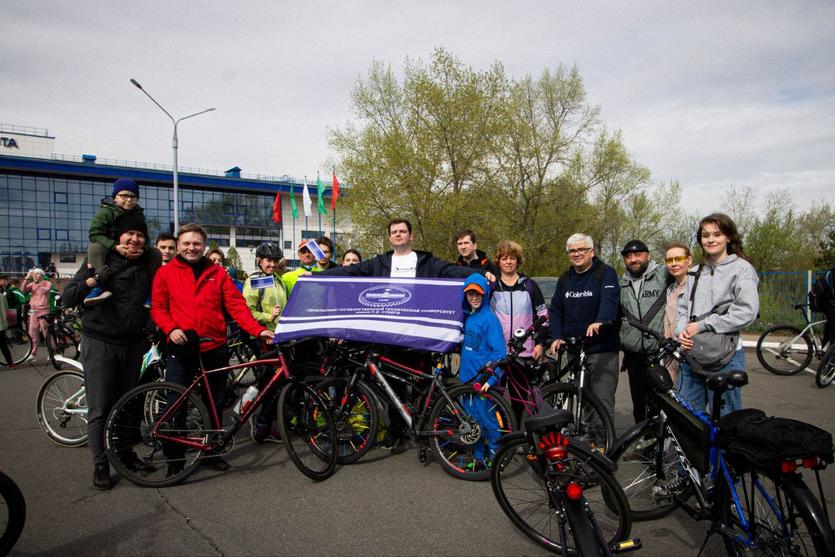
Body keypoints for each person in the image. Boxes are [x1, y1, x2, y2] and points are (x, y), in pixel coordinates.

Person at [151, 224, 273, 473]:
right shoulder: (166, 273)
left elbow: (237, 306)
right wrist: (171, 328)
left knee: (214, 402)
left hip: (214, 345)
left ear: (204, 246)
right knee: (177, 402)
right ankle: (174, 457)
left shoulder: (217, 272)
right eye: (186, 243)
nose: (191, 248)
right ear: (179, 244)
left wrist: (257, 329)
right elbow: (158, 308)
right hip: (181, 344)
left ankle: (210, 452)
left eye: (196, 243)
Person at [61, 212, 156, 489]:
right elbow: (68, 297)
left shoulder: (148, 266)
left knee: (127, 405)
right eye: (130, 235)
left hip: (133, 343)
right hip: (100, 341)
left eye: (140, 236)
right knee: (101, 406)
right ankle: (100, 463)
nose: (135, 240)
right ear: (119, 237)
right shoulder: (100, 260)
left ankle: (125, 455)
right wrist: (93, 281)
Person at [677, 214, 759, 416]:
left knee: (726, 422)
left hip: (726, 358)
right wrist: (681, 332)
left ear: (729, 238)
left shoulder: (742, 269)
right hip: (692, 358)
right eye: (705, 235)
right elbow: (682, 309)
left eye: (717, 234)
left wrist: (704, 325)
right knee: (688, 418)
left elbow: (747, 312)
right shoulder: (695, 271)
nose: (711, 240)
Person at [547, 233, 620, 421]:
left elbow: (609, 302)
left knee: (601, 401)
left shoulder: (605, 273)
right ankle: (586, 445)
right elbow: (555, 310)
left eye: (581, 250)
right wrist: (556, 336)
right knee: (580, 398)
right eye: (572, 251)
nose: (576, 254)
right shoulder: (565, 278)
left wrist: (601, 321)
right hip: (574, 348)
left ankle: (604, 446)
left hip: (601, 348)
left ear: (591, 252)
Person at [325, 219, 489, 280]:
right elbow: (349, 271)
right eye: (394, 232)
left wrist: (481, 273)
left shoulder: (426, 262)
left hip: (416, 327)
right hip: (388, 326)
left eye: (402, 231)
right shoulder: (379, 263)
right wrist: (315, 275)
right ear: (389, 238)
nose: (398, 235)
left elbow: (452, 270)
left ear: (411, 236)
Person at [85, 178, 161, 306]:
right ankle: (98, 286)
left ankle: (152, 291)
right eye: (124, 196)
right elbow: (95, 234)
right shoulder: (106, 212)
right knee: (95, 248)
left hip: (134, 247)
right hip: (110, 246)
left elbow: (145, 237)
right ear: (115, 197)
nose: (129, 199)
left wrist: (143, 248)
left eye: (133, 196)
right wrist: (115, 246)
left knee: (155, 253)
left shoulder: (139, 214)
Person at [618, 239, 671, 424]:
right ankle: (644, 446)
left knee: (660, 402)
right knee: (639, 403)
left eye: (638, 254)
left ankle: (661, 447)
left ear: (648, 255)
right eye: (628, 256)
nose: (633, 259)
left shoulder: (663, 275)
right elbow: (622, 319)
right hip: (634, 356)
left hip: (659, 352)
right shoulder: (621, 284)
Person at [458, 273, 507, 468]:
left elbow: (499, 354)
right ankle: (478, 458)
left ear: (485, 294)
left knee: (489, 422)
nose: (474, 298)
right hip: (466, 382)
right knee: (473, 422)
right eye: (470, 294)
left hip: (483, 384)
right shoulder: (467, 318)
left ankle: (495, 459)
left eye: (478, 294)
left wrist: (492, 379)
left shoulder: (489, 319)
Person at [243, 242, 288, 444]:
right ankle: (260, 422)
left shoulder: (277, 280)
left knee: (274, 382)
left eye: (275, 261)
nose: (272, 264)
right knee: (271, 384)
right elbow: (246, 311)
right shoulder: (256, 281)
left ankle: (264, 421)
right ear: (259, 261)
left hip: (279, 337)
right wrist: (267, 315)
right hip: (262, 337)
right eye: (268, 260)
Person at [489, 240, 548, 360]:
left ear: (518, 261)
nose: (508, 262)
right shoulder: (492, 287)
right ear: (498, 262)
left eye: (512, 258)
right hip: (497, 352)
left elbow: (544, 316)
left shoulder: (530, 285)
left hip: (525, 351)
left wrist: (540, 344)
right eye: (504, 258)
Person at [662, 242, 693, 385]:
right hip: (671, 354)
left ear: (689, 260)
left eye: (678, 259)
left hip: (690, 354)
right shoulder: (670, 289)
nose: (673, 264)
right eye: (669, 260)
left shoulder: (696, 286)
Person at [22, 268, 51, 361]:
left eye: (37, 274)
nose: (35, 276)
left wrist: (37, 283)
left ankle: (52, 352)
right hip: (33, 311)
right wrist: (27, 278)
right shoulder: (32, 284)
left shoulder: (47, 283)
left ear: (42, 275)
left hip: (44, 310)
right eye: (34, 274)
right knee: (32, 333)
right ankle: (33, 353)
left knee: (45, 332)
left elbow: (44, 291)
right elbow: (23, 289)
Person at [0, 281, 15, 369]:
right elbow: (7, 309)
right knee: (3, 345)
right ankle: (10, 363)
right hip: (2, 324)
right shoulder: (2, 296)